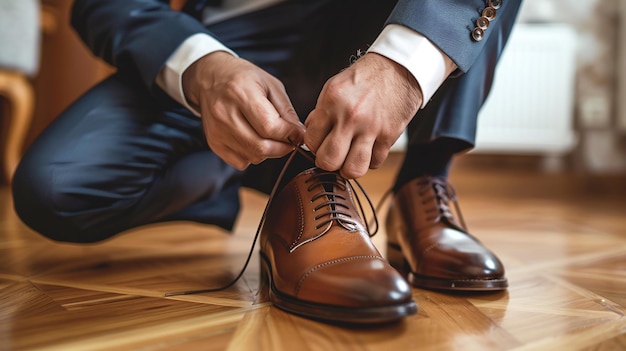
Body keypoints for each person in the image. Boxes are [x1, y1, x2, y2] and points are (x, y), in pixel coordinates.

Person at [12, 0, 521, 324]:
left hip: (380, 16)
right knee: (55, 187)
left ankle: (423, 185)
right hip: (230, 35)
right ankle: (270, 177)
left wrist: (404, 67)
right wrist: (202, 67)